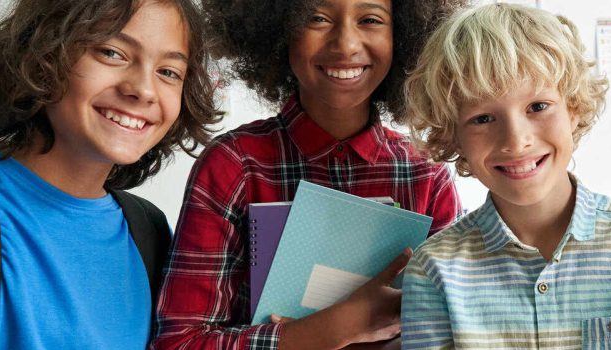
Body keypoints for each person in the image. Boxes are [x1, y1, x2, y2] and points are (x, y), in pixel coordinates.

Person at [152, 0, 465, 348]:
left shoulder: (428, 177)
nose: (345, 44)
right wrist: (329, 330)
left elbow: (457, 331)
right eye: (318, 17)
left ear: (403, 37)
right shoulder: (234, 166)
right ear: (280, 29)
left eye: (371, 19)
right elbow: (180, 342)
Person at [398, 4, 611, 349]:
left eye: (538, 107)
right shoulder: (433, 270)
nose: (516, 140)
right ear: (452, 135)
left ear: (574, 107)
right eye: (483, 118)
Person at [0, 0, 219, 348]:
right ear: (43, 55)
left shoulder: (152, 235)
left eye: (169, 72)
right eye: (112, 52)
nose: (144, 90)